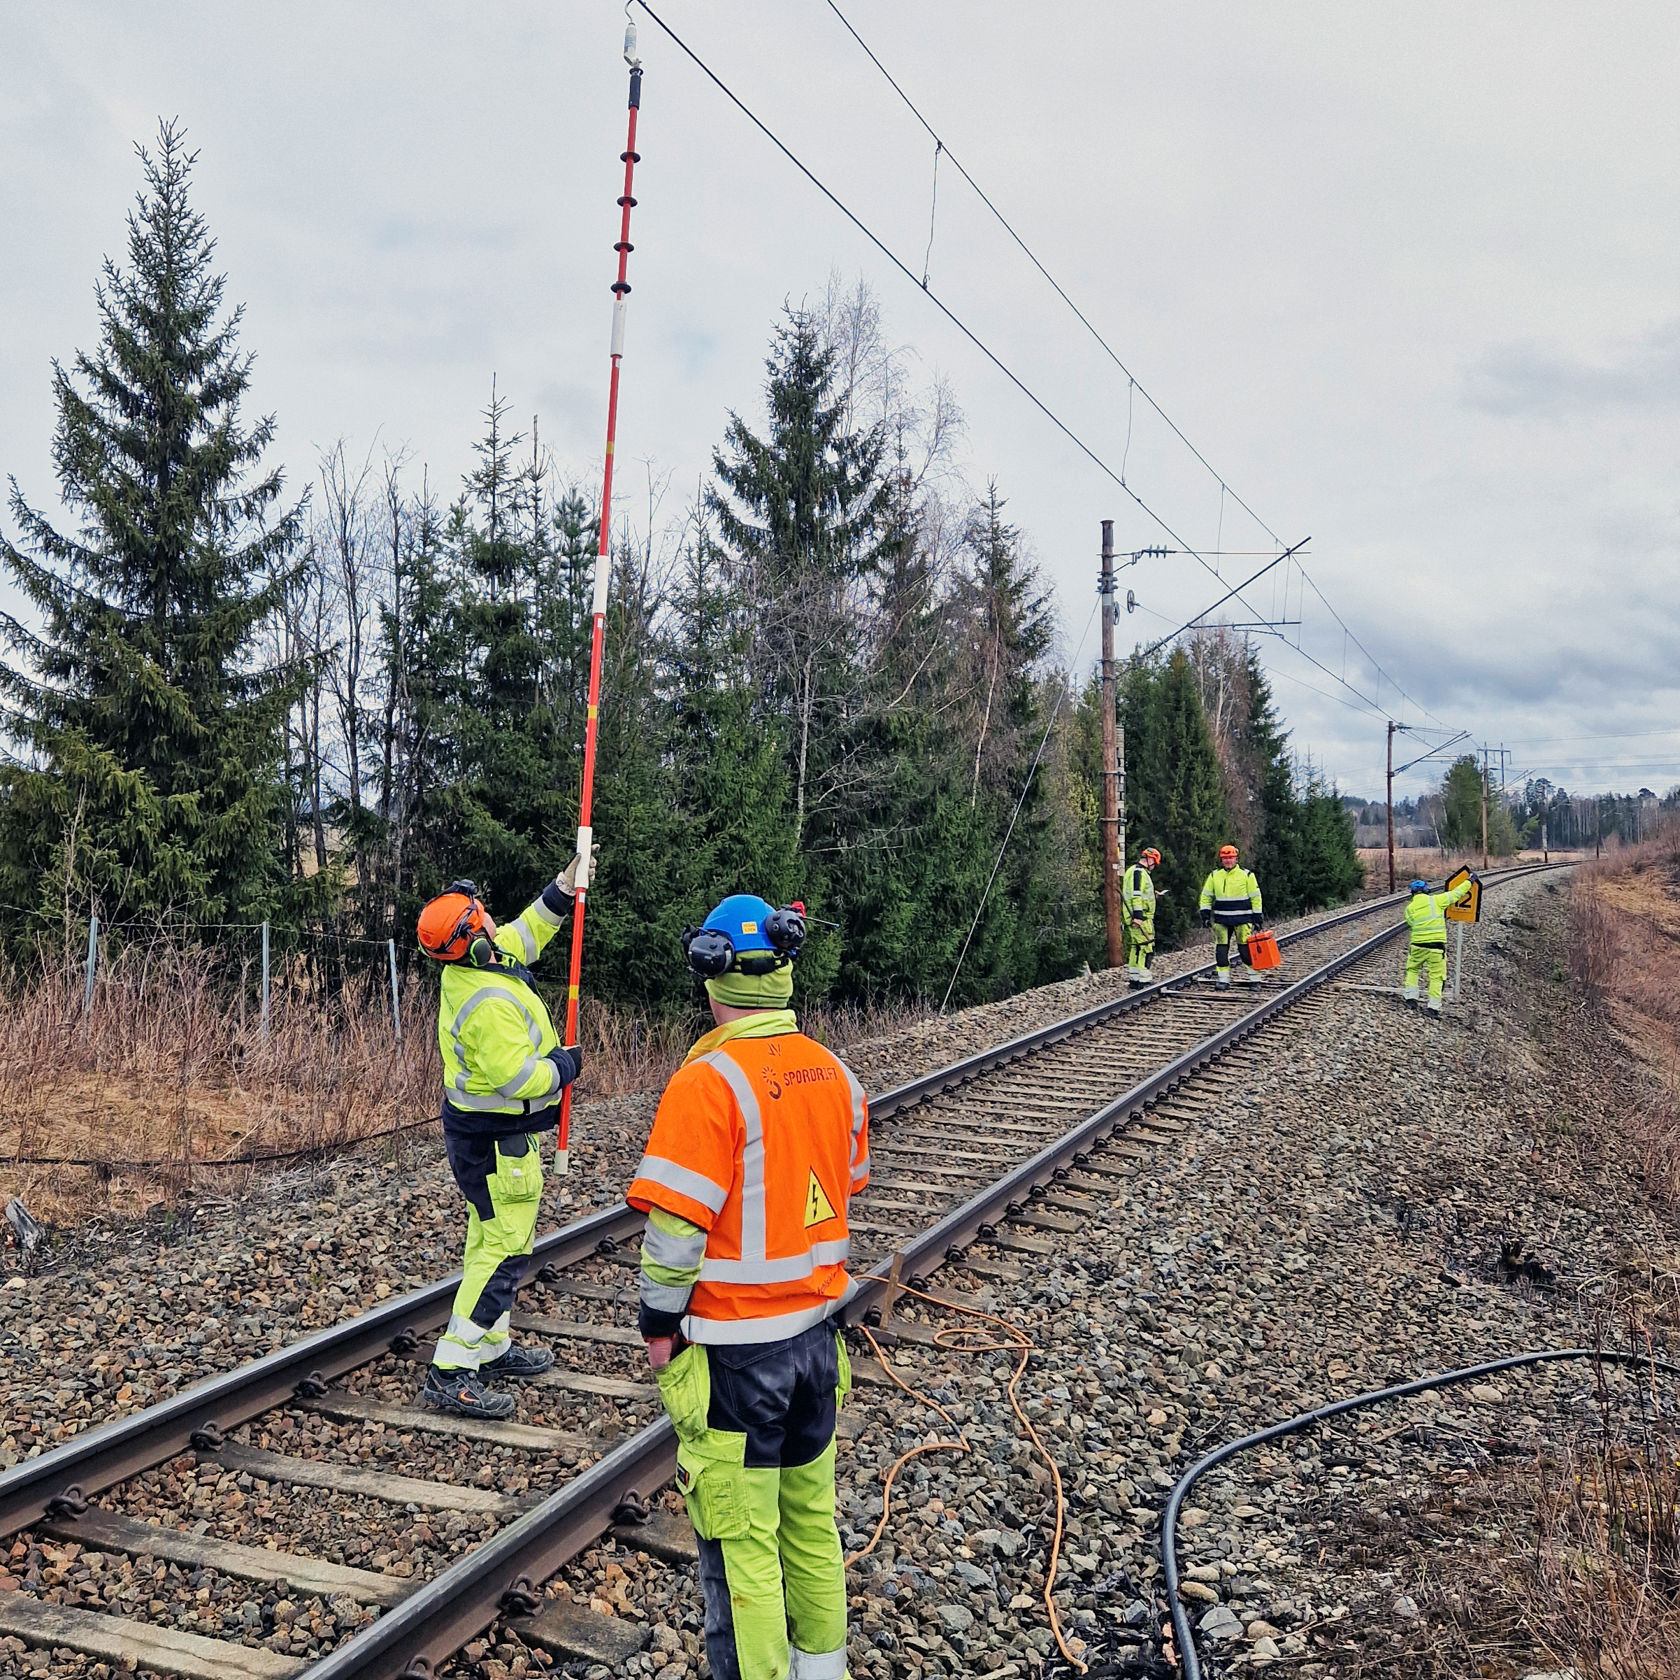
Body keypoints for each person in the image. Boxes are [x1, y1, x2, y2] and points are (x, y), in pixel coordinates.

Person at [628, 894, 868, 1680]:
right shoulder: (836, 1072)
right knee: (811, 1526)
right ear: (785, 969)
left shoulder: (707, 1082)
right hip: (817, 1345)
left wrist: (659, 1326)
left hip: (737, 1358)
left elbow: (675, 1236)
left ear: (712, 974)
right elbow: (846, 1179)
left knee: (749, 1552)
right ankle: (822, 1671)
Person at [414, 853, 589, 1419]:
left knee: (489, 1241)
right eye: (483, 916)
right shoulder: (486, 1002)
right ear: (474, 940)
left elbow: (529, 929)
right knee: (505, 1251)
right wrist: (563, 1068)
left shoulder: (481, 963)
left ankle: (489, 1345)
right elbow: (518, 1078)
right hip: (496, 1139)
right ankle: (453, 1367)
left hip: (493, 1137)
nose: (494, 919)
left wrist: (564, 887)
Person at [1402, 873, 1475, 1015]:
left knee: (1413, 970)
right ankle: (1433, 1008)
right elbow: (1456, 893)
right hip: (1436, 947)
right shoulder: (1436, 900)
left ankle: (1411, 998)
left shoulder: (1409, 909)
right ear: (1426, 890)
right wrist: (1470, 881)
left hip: (1417, 945)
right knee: (1436, 976)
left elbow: (1411, 924)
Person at [1198, 842, 1265, 987]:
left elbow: (1256, 897)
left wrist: (1258, 917)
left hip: (1243, 919)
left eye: (1231, 858)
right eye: (1225, 858)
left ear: (1236, 859)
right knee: (1221, 952)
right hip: (1221, 920)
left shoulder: (1247, 875)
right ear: (1222, 860)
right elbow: (1206, 896)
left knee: (1245, 951)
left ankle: (1254, 980)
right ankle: (1223, 980)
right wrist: (1205, 914)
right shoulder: (1214, 876)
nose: (1228, 861)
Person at [1122, 846, 1162, 985]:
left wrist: (1153, 895)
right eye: (1154, 864)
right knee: (1146, 946)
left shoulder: (1132, 871)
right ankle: (1144, 979)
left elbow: (1137, 892)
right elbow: (1136, 896)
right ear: (1150, 859)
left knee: (1136, 947)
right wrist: (1138, 916)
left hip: (1132, 915)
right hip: (1141, 917)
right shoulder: (1139, 873)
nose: (1154, 867)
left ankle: (1134, 978)